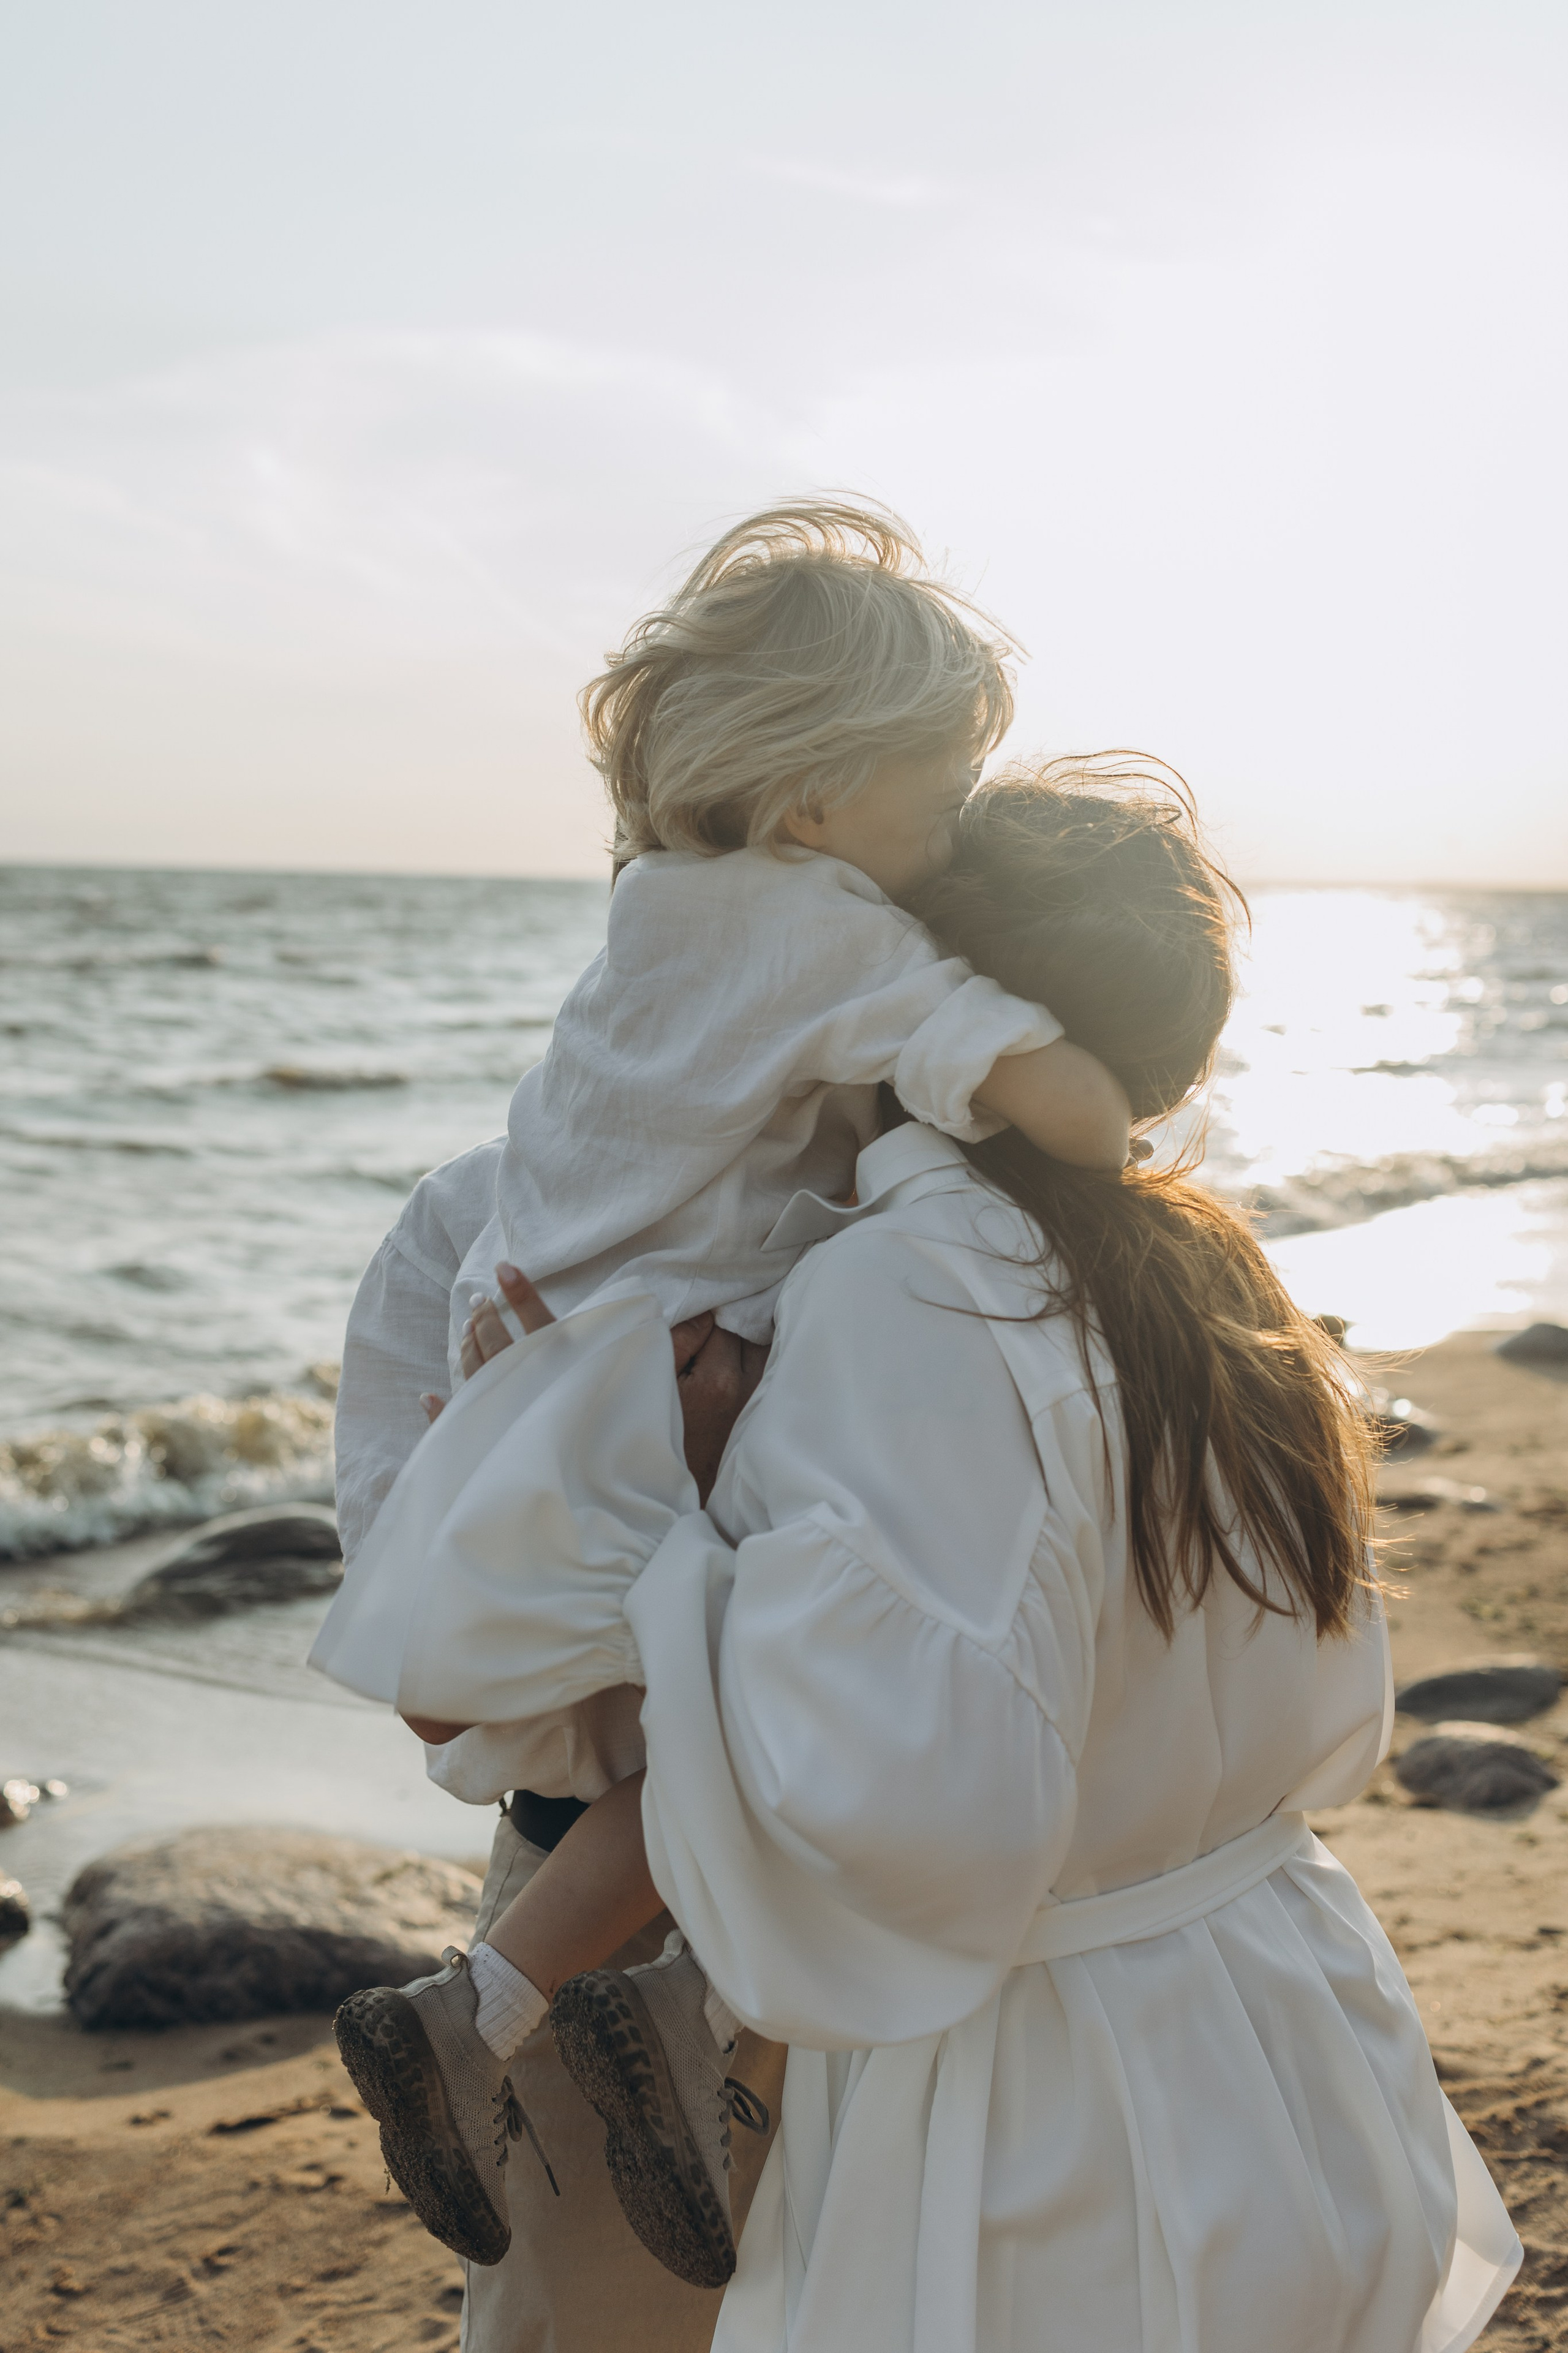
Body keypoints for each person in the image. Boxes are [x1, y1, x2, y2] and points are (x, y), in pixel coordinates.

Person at [340, 763, 1521, 2353]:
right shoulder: (1207, 1278)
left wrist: (631, 1498)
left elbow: (915, 1784)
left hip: (988, 2017)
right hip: (1268, 2007)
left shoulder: (927, 1270)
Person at [313, 501, 1136, 2270]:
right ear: (817, 804)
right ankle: (502, 2008)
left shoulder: (845, 1182)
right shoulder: (506, 1226)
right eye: (938, 796)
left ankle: (528, 2010)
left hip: (803, 1870)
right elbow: (446, 1697)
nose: (944, 844)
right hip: (638, 1851)